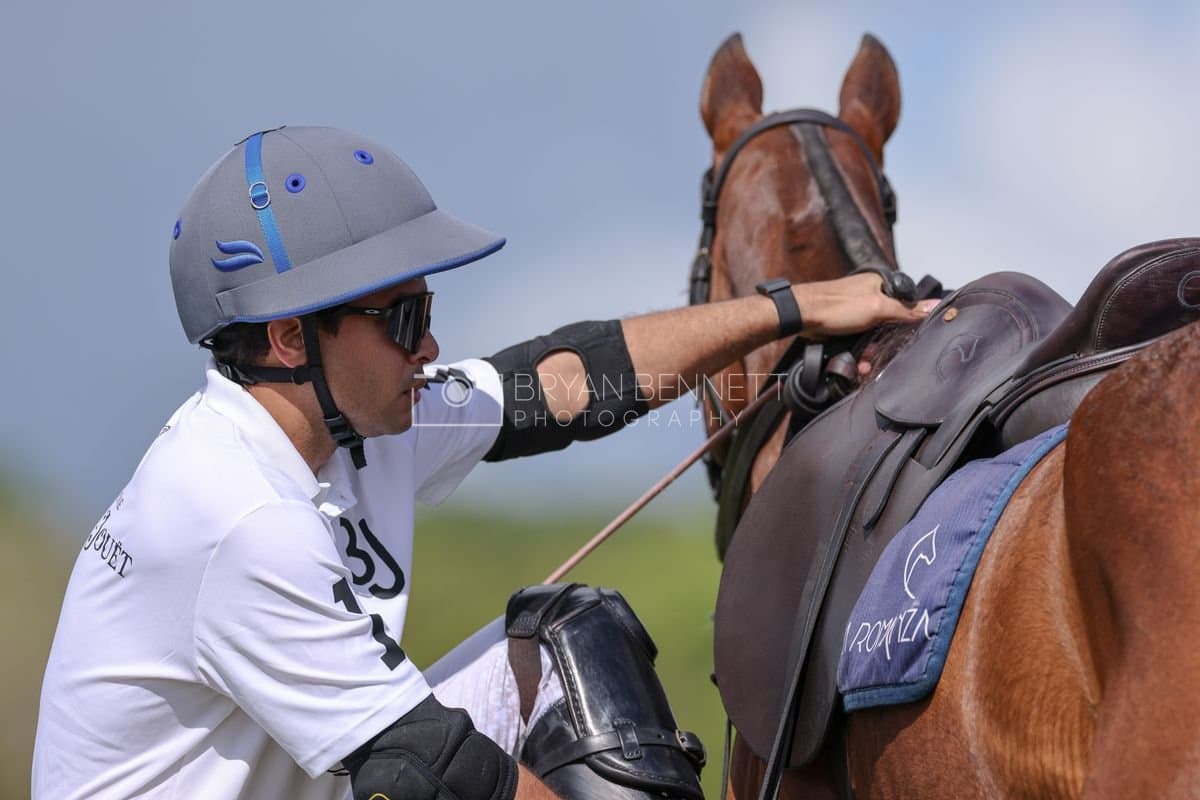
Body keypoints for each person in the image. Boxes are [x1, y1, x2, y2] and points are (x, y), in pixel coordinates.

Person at [32, 126, 931, 799]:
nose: (429, 347)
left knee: (571, 642)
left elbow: (565, 384)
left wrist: (795, 308)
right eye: (404, 320)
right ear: (289, 338)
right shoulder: (238, 517)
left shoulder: (347, 418)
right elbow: (430, 769)